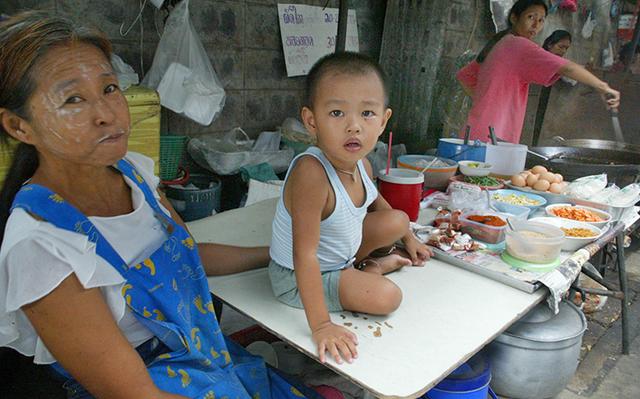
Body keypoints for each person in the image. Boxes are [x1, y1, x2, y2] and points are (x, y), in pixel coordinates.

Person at [0, 11, 318, 399]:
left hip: (198, 355)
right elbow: (134, 394)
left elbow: (182, 254)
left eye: (110, 89)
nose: (106, 114)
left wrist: (280, 255)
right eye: (73, 99)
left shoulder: (133, 172)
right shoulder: (39, 247)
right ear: (20, 127)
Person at [268, 52, 433, 365]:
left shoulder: (362, 164)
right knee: (388, 297)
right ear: (311, 120)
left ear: (383, 121)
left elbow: (374, 201)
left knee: (397, 220)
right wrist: (321, 325)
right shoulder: (311, 173)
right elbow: (304, 255)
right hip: (298, 278)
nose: (354, 126)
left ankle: (363, 267)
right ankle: (373, 267)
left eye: (367, 113)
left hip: (340, 254)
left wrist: (410, 238)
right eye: (336, 113)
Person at [456, 0, 620, 144]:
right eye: (531, 17)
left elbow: (464, 76)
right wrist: (602, 87)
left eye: (541, 20)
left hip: (475, 132)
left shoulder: (500, 43)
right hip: (490, 139)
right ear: (514, 18)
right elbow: (568, 67)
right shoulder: (518, 45)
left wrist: (488, 101)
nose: (536, 25)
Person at [532, 29, 574, 146]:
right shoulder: (539, 57)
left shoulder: (558, 63)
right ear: (550, 44)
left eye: (566, 48)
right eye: (561, 47)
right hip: (531, 100)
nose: (563, 51)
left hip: (544, 101)